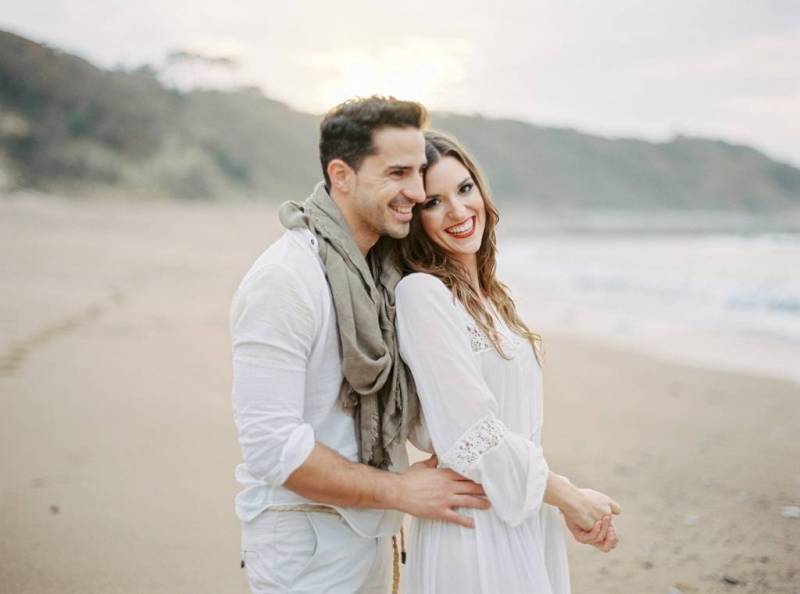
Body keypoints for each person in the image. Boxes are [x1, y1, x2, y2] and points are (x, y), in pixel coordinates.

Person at [229, 98, 492, 594]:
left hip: (375, 531)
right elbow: (271, 447)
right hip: (305, 544)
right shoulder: (285, 280)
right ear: (342, 175)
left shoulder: (381, 274)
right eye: (397, 173)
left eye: (418, 173)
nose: (415, 192)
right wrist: (401, 489)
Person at [393, 130, 621, 593]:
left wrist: (556, 501)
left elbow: (513, 429)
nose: (458, 211)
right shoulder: (421, 294)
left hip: (524, 515)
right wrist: (569, 498)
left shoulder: (494, 301)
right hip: (473, 532)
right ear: (415, 219)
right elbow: (472, 434)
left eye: (464, 189)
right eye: (433, 202)